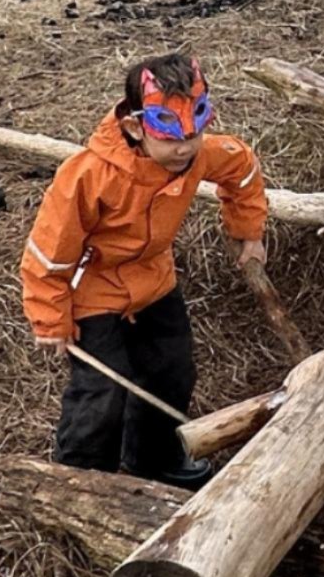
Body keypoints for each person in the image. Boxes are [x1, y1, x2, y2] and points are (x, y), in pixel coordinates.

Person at [21, 53, 268, 488]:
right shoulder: (89, 176)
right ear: (136, 127)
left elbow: (242, 169)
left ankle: (151, 458)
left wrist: (248, 232)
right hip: (93, 290)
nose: (185, 148)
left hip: (155, 281)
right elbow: (49, 252)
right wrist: (50, 318)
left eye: (194, 134)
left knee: (171, 372)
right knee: (102, 391)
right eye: (171, 138)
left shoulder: (198, 155)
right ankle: (80, 480)